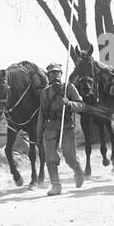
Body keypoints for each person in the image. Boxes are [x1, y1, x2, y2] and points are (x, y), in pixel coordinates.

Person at [36, 63, 85, 196]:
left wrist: (69, 103)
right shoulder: (45, 93)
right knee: (50, 158)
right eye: (52, 73)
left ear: (61, 74)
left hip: (66, 127)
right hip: (50, 128)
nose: (54, 75)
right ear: (48, 76)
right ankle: (56, 185)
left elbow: (81, 106)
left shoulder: (69, 88)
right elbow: (42, 113)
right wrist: (38, 133)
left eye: (57, 72)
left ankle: (77, 170)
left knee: (69, 157)